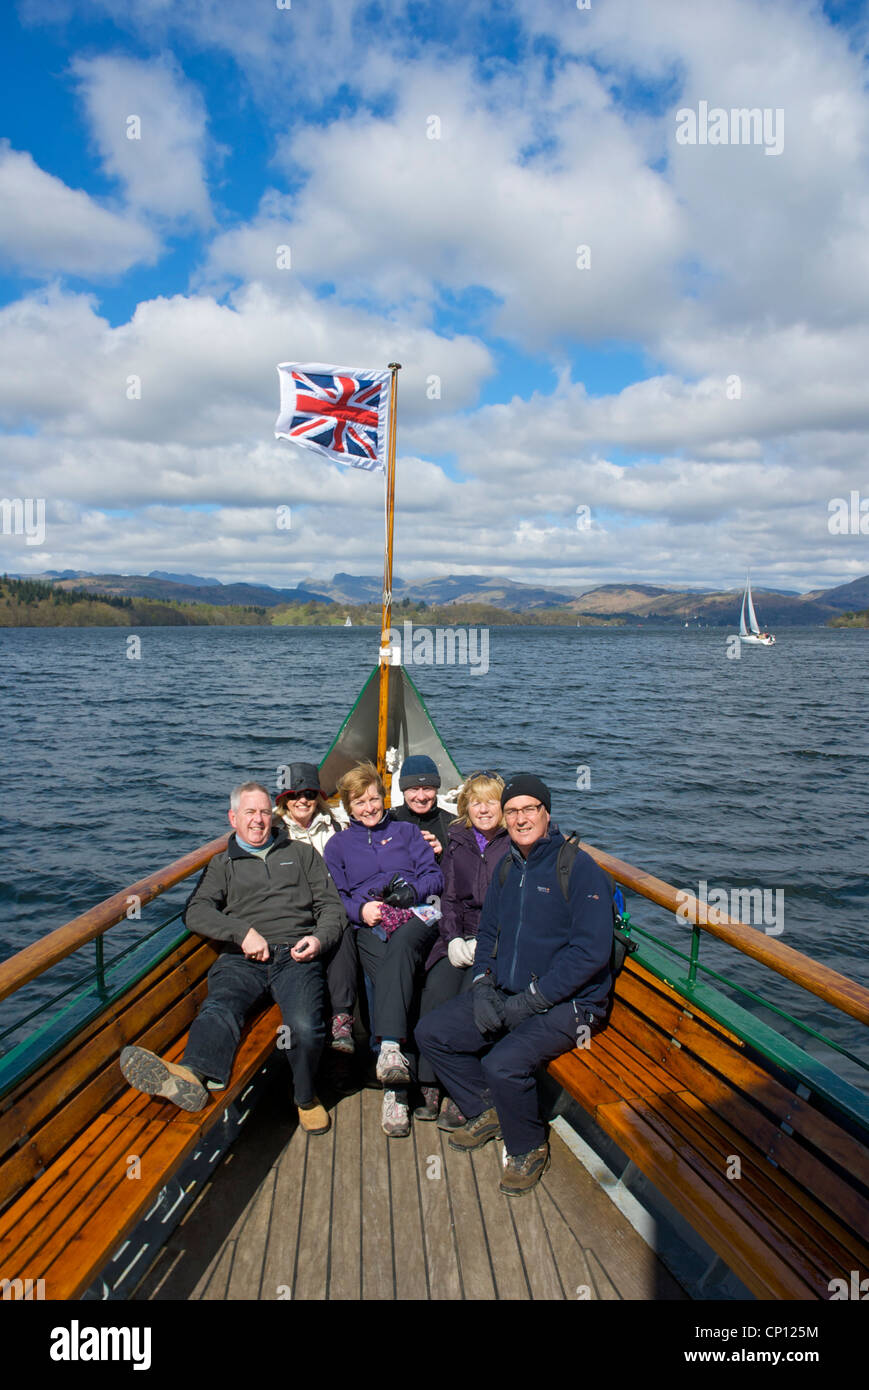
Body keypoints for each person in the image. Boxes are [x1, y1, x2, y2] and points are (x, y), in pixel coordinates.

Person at [415, 773, 613, 1195]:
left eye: (529, 809)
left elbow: (591, 953)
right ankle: (487, 1107)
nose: (520, 819)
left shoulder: (577, 869)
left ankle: (527, 1147)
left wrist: (534, 999)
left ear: (546, 812)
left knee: (501, 1062)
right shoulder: (510, 867)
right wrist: (484, 982)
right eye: (512, 811)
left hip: (571, 1004)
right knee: (432, 1032)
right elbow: (488, 933)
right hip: (508, 990)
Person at [120, 781, 346, 1135]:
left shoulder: (302, 855)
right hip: (243, 957)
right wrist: (241, 932)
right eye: (250, 813)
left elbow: (331, 907)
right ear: (233, 818)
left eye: (264, 812)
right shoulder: (222, 864)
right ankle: (192, 1074)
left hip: (295, 954)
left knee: (304, 1026)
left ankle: (305, 1097)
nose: (258, 820)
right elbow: (196, 912)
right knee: (221, 1006)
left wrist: (317, 941)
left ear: (273, 816)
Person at [323, 761, 443, 1138]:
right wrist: (361, 910)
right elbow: (335, 897)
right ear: (348, 807)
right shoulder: (338, 845)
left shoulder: (407, 832)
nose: (369, 808)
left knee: (393, 971)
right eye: (359, 802)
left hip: (415, 917)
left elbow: (433, 875)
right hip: (370, 926)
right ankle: (398, 1085)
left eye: (374, 798)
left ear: (384, 797)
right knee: (383, 978)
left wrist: (413, 892)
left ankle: (394, 1067)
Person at [414, 772, 510, 1129]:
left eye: (491, 801)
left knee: (472, 1003)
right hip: (457, 936)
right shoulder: (459, 840)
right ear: (466, 807)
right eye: (476, 802)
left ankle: (462, 1088)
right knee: (435, 991)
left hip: (495, 943)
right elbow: (449, 897)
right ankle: (429, 1083)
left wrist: (485, 943)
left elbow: (516, 906)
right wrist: (452, 937)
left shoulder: (515, 843)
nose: (483, 809)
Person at [274, 761, 358, 1056]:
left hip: (332, 903)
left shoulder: (336, 823)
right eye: (294, 795)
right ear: (284, 800)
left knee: (341, 926)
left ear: (318, 796)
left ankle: (342, 1018)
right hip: (295, 910)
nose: (302, 801)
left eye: (309, 794)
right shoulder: (275, 831)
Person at [391, 755, 454, 861]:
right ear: (403, 790)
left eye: (427, 789)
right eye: (414, 789)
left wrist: (442, 854)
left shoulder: (453, 824)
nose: (421, 797)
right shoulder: (388, 820)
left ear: (436, 790)